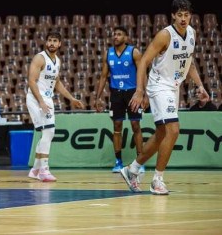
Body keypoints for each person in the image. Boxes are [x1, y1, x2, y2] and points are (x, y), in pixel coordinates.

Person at [120, 0, 210, 195]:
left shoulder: (192, 34)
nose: (183, 19)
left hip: (174, 87)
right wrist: (140, 90)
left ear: (190, 16)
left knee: (162, 133)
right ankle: (157, 180)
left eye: (186, 15)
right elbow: (143, 61)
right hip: (159, 86)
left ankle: (132, 169)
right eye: (179, 15)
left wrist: (201, 86)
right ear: (173, 16)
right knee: (174, 130)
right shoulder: (165, 35)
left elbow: (190, 63)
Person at [26, 30, 84, 182]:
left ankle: (36, 169)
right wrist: (40, 101)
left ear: (59, 44)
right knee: (49, 131)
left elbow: (57, 83)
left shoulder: (57, 61)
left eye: (55, 41)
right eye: (49, 40)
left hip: (47, 98)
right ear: (46, 42)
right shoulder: (39, 58)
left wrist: (72, 99)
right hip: (36, 98)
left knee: (47, 133)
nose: (52, 43)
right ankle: (44, 170)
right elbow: (31, 81)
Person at [95, 26, 145, 173]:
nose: (115, 37)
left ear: (126, 38)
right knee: (117, 126)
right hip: (116, 94)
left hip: (132, 93)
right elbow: (104, 76)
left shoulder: (134, 52)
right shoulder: (108, 53)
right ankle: (118, 162)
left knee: (135, 125)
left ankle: (140, 162)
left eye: (119, 34)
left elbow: (142, 73)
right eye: (114, 34)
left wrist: (144, 94)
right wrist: (98, 97)